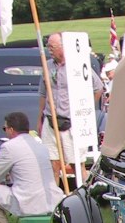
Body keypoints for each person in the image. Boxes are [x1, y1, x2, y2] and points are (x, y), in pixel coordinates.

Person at [0, 111, 62, 223]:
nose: (5, 131)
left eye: (4, 128)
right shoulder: (41, 146)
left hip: (28, 203)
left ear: (11, 129)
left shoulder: (9, 147)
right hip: (53, 202)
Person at [38, 33, 104, 185]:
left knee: (77, 165)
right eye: (48, 47)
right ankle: (54, 197)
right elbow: (42, 93)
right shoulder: (47, 65)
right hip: (50, 121)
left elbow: (98, 88)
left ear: (63, 47)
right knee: (53, 164)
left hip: (71, 123)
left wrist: (85, 109)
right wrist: (39, 118)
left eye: (52, 47)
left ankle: (86, 193)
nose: (49, 50)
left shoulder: (77, 64)